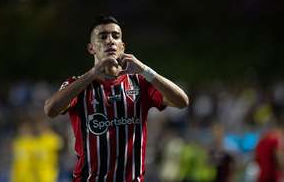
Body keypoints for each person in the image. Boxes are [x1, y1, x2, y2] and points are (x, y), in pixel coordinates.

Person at [44, 15, 189, 181]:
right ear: (91, 48)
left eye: (115, 36)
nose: (110, 41)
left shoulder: (140, 82)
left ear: (123, 46)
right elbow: (50, 110)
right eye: (103, 36)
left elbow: (182, 101)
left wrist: (145, 70)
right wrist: (92, 74)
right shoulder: (77, 85)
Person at [255, 101, 284, 182]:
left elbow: (257, 160)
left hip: (261, 177)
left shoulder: (260, 142)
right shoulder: (275, 140)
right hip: (272, 177)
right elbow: (280, 160)